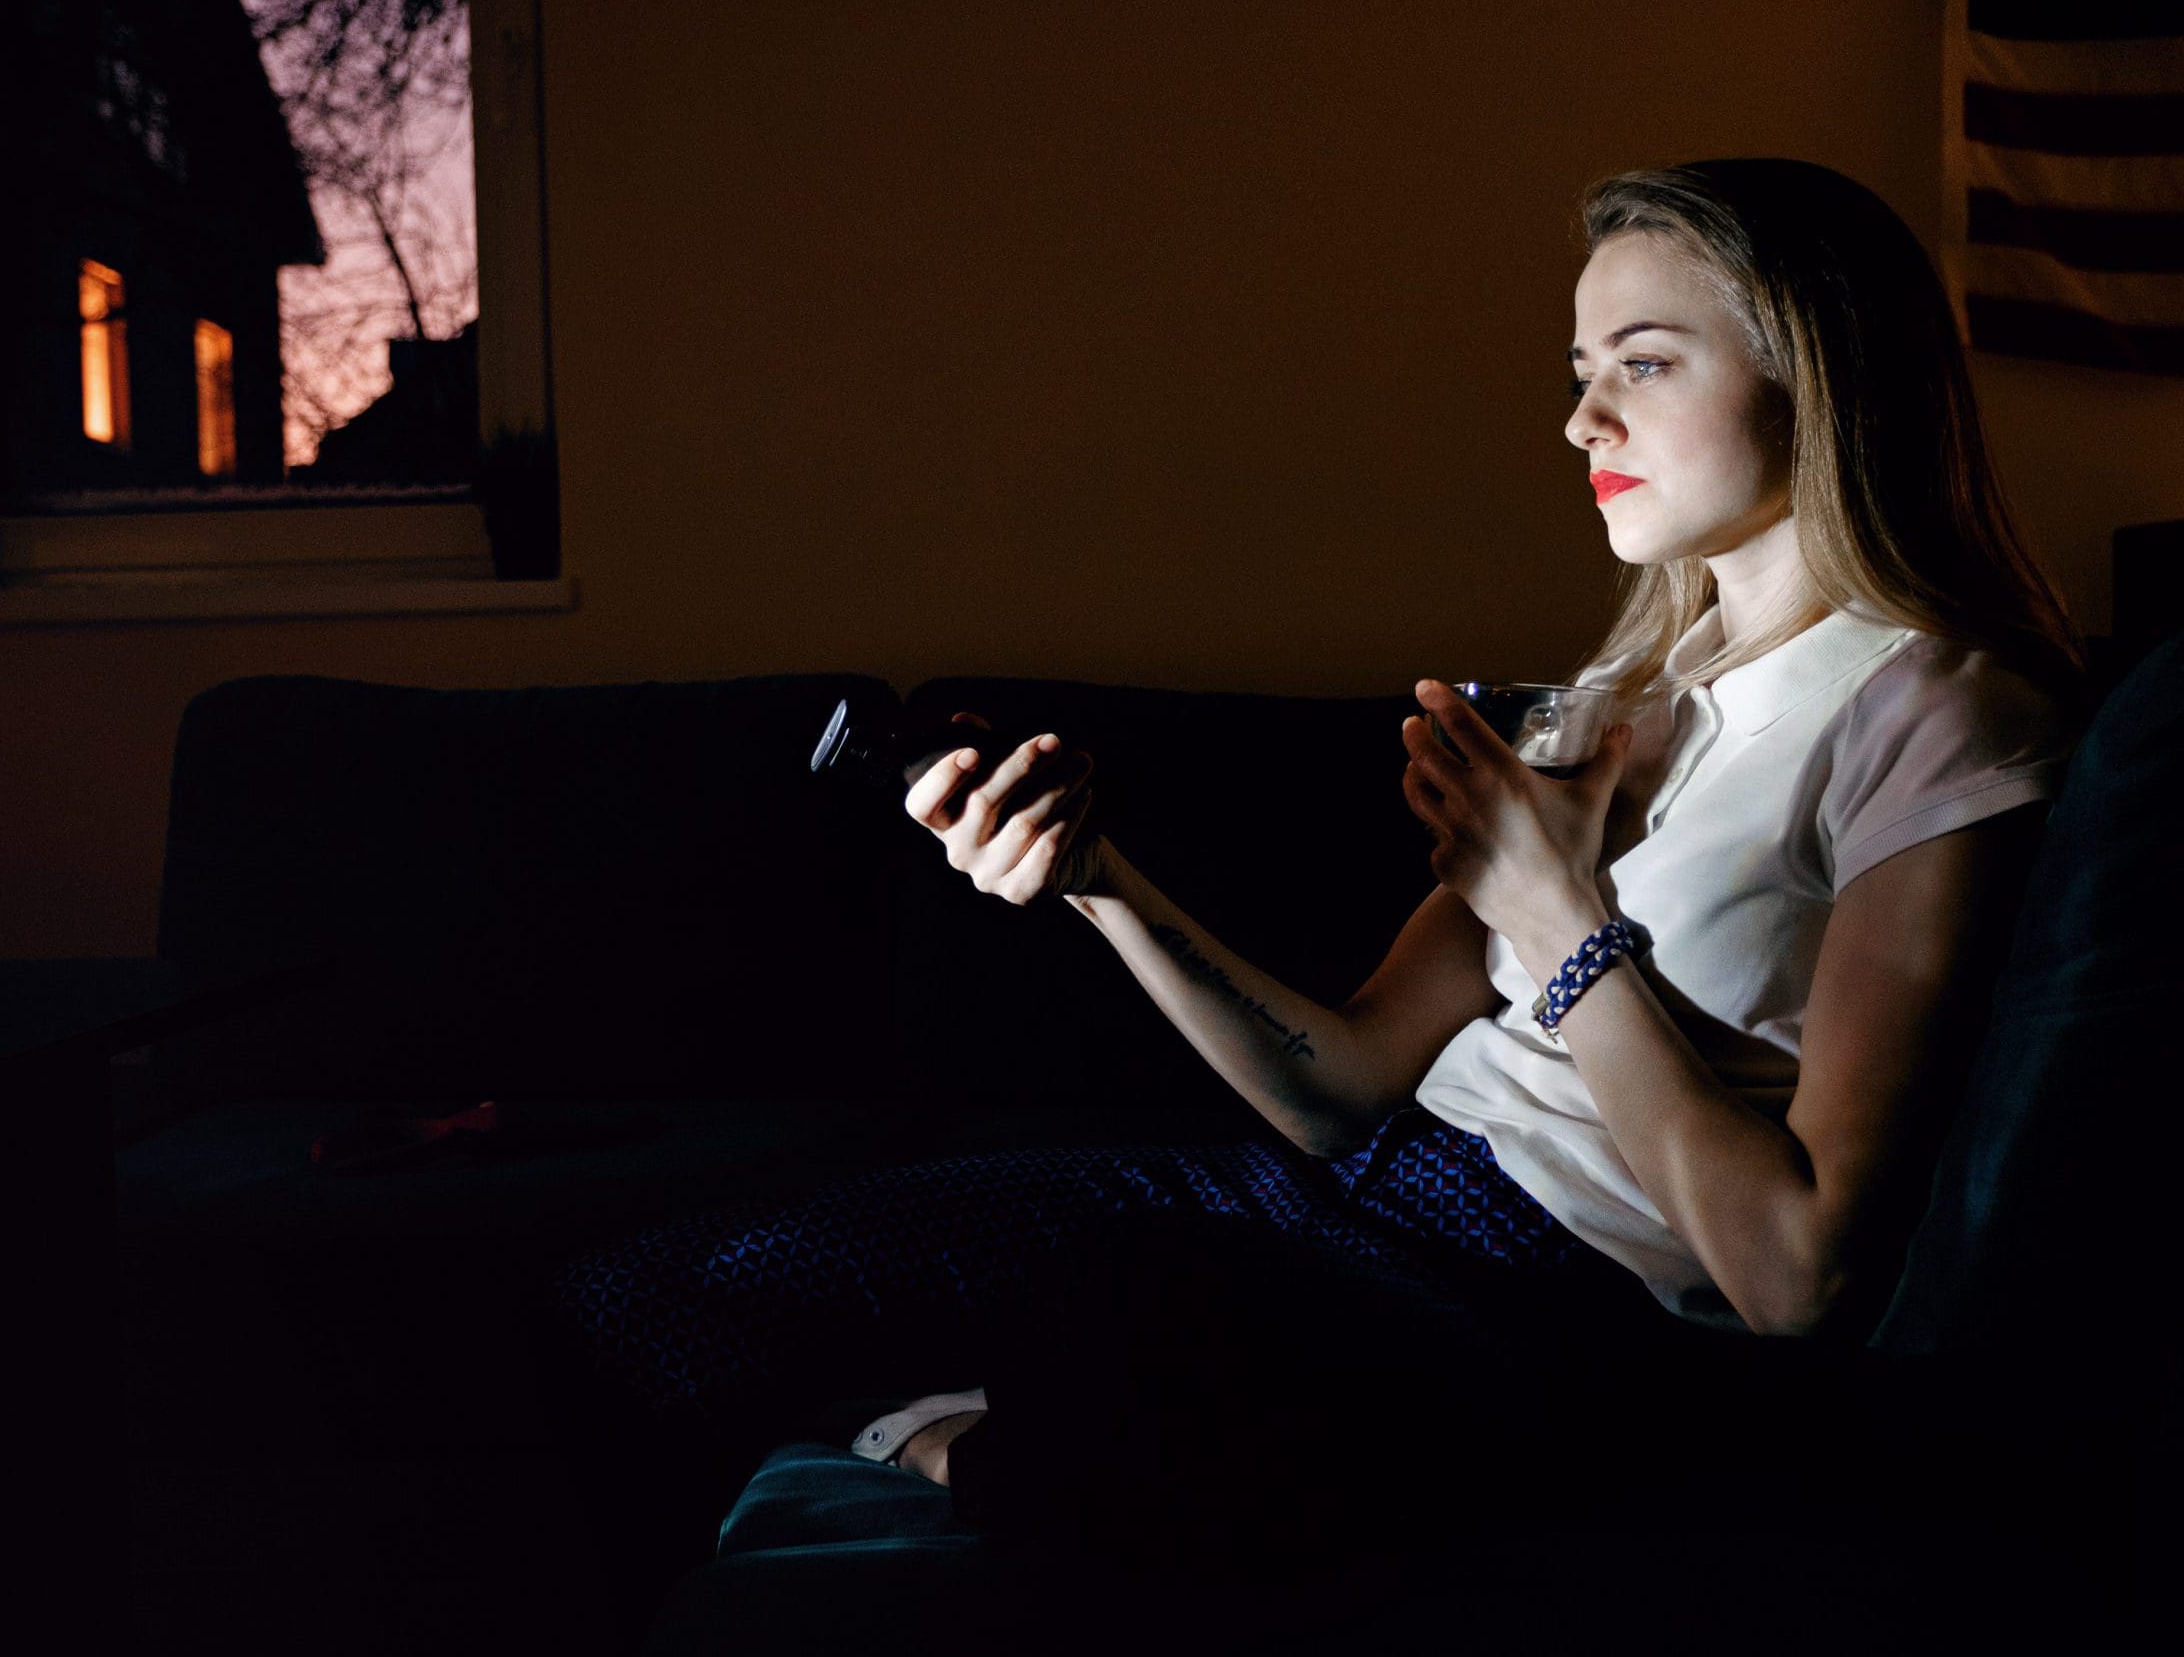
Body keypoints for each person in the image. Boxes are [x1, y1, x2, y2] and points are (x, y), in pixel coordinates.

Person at [549, 158, 2079, 1547]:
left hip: (1554, 1308)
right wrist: (1103, 884)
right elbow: (1336, 1086)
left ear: (1817, 374)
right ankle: (994, 1437)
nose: (1580, 420)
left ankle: (967, 1452)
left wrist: (1553, 916)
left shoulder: (1933, 706)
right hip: (1350, 1212)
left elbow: (1799, 1279)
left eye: (1644, 366)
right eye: (1578, 372)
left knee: (1152, 1318)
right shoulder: (1619, 700)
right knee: (694, 1291)